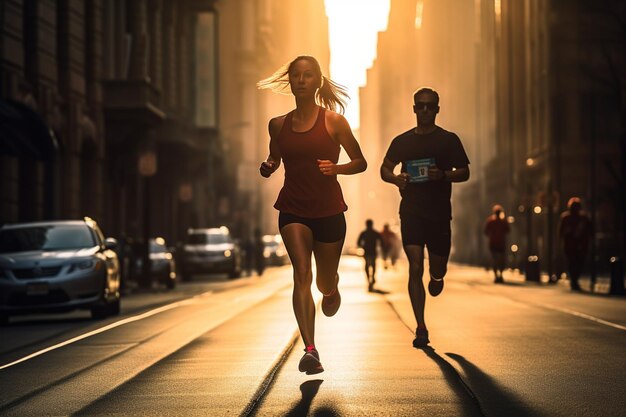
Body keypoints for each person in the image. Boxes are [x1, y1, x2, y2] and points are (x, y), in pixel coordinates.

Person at [258, 55, 367, 374]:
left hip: (330, 210)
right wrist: (269, 166)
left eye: (308, 75)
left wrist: (337, 168)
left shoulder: (334, 122)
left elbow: (360, 161)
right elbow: (274, 156)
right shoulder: (277, 125)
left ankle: (331, 288)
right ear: (289, 82)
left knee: (322, 281)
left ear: (318, 82)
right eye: (296, 75)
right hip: (293, 209)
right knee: (301, 274)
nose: (302, 80)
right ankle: (310, 349)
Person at [380, 87, 470, 348]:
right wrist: (397, 179)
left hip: (440, 213)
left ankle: (438, 276)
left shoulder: (448, 140)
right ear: (414, 109)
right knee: (415, 266)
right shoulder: (402, 142)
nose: (426, 110)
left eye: (431, 106)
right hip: (412, 212)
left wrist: (443, 175)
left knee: (437, 266)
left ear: (438, 109)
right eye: (421, 106)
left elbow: (464, 172)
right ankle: (420, 326)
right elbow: (384, 168)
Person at [558, 197, 592, 291]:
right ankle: (574, 281)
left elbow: (590, 230)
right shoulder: (566, 218)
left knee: (578, 263)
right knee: (572, 263)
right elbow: (561, 232)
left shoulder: (583, 218)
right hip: (570, 245)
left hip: (580, 245)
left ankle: (574, 280)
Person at [484, 204, 510, 283]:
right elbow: (508, 230)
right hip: (500, 243)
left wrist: (492, 235)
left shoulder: (491, 221)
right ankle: (500, 275)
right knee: (501, 260)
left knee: (495, 260)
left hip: (494, 243)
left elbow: (486, 231)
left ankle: (497, 276)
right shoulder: (503, 222)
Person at [357, 219, 383, 291]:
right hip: (373, 252)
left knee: (367, 266)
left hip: (367, 252)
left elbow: (358, 242)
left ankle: (369, 280)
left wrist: (362, 246)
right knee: (373, 265)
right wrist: (381, 247)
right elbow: (381, 241)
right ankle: (372, 278)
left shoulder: (364, 233)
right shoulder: (375, 233)